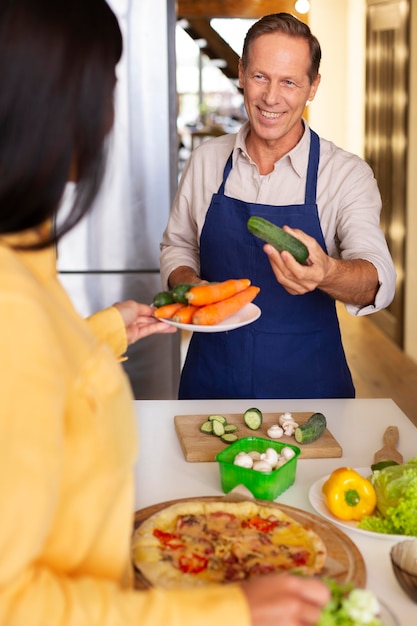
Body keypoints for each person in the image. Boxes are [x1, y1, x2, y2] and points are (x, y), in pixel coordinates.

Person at [0, 2, 330, 625]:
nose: (108, 113)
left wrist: (99, 335)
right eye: (108, 84)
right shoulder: (13, 297)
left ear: (312, 88)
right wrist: (228, 610)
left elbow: (33, 374)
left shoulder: (27, 256)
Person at [160, 12, 396, 400]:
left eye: (289, 82)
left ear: (313, 86)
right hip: (210, 385)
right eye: (260, 77)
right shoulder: (206, 161)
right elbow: (178, 246)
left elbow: (377, 278)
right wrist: (189, 286)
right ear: (241, 73)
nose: (271, 97)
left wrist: (328, 272)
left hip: (311, 391)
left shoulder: (346, 174)